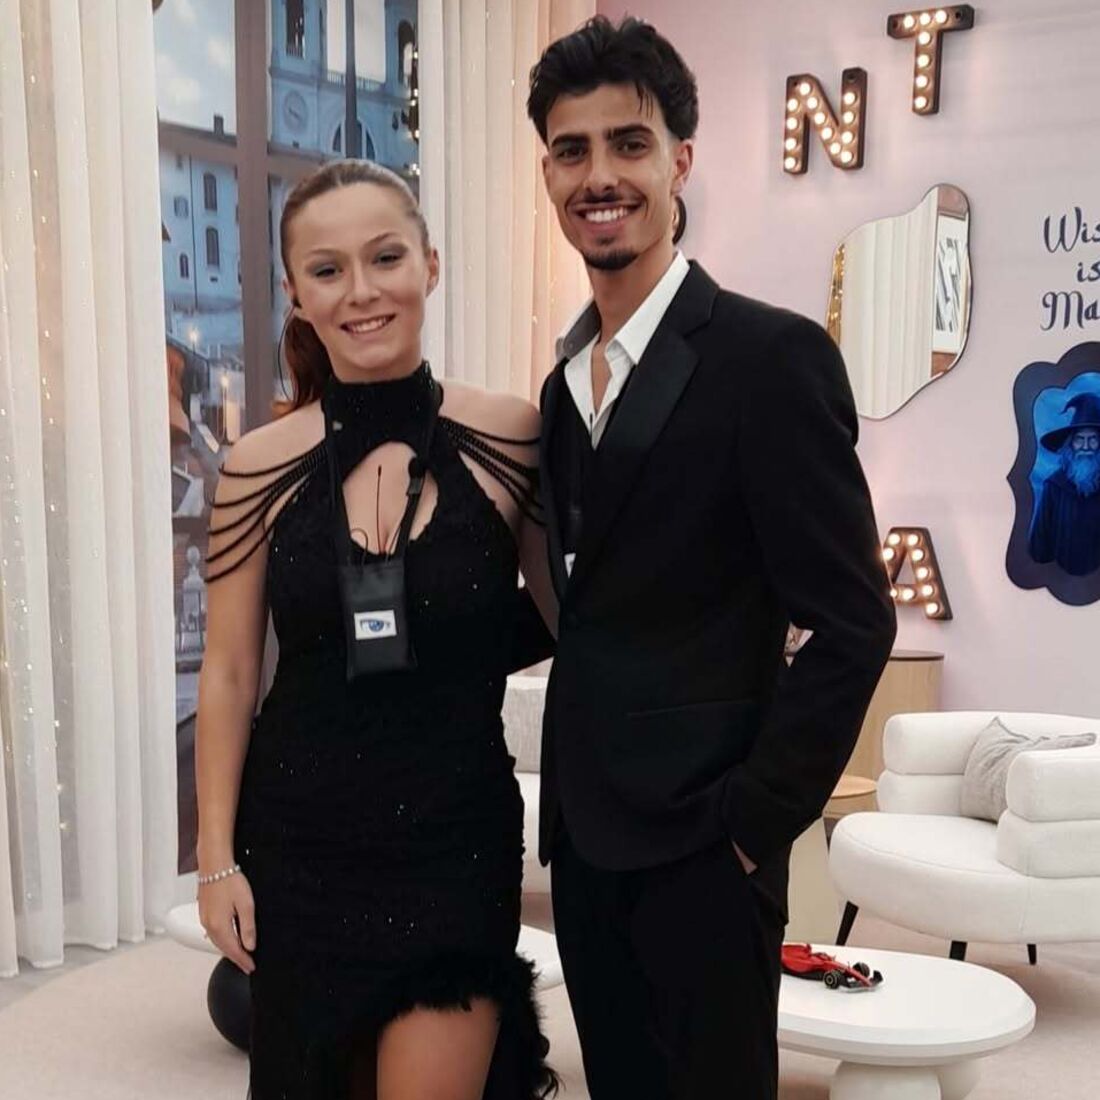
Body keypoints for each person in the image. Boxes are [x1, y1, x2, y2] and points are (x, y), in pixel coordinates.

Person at [526, 17, 897, 1100]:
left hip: (705, 842)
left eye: (628, 143)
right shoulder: (562, 385)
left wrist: (751, 825)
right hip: (585, 839)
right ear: (548, 174)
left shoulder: (769, 357)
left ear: (679, 160)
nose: (599, 176)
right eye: (571, 150)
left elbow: (853, 620)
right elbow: (586, 600)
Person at [194, 159, 558, 1100]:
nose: (360, 291)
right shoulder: (256, 466)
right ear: (296, 293)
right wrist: (215, 859)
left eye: (386, 257)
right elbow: (229, 674)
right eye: (327, 270)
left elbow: (578, 619)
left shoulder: (514, 436)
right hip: (300, 844)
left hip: (455, 843)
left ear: (430, 265)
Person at [1029, 392, 1100, 576]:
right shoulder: (1054, 486)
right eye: (1079, 439)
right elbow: (1040, 545)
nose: (1086, 446)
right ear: (1070, 444)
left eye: (1092, 439)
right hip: (1061, 579)